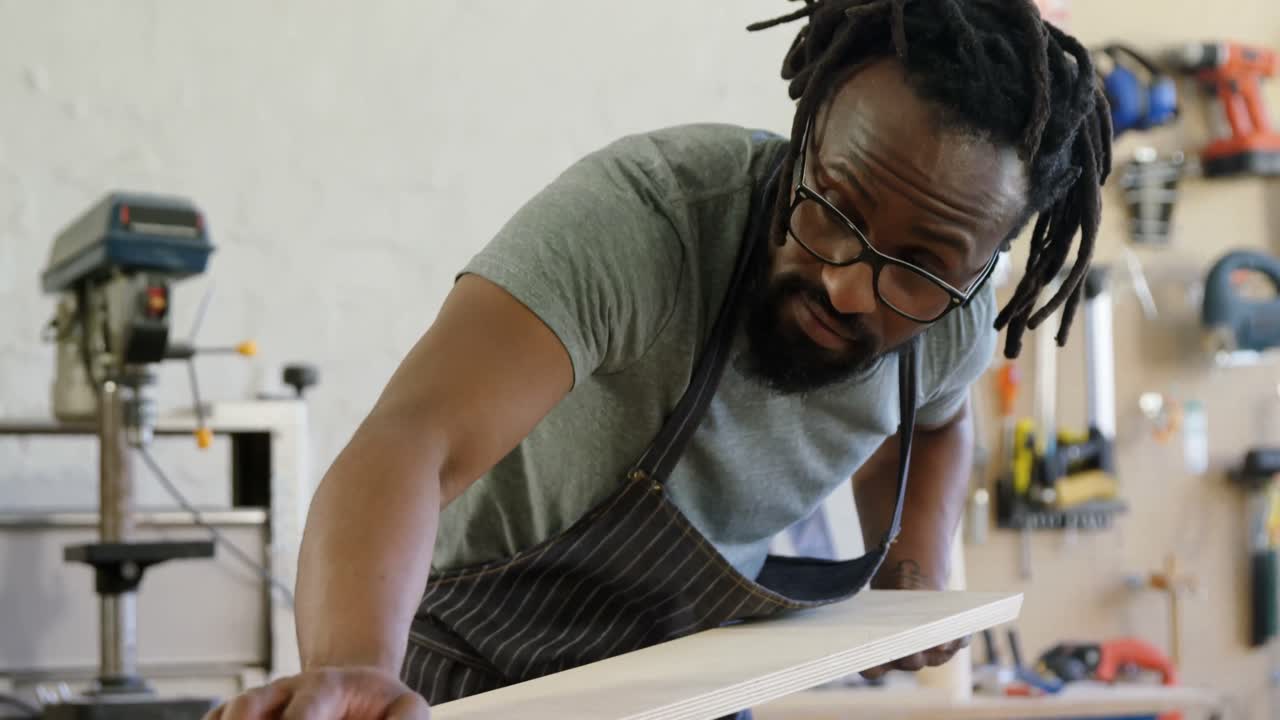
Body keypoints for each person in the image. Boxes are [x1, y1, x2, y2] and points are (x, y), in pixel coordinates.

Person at [208, 1, 1111, 718]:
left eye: (917, 268)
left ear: (980, 264)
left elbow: (938, 427)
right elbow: (413, 440)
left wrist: (914, 568)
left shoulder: (953, 315)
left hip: (690, 686)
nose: (848, 286)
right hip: (464, 681)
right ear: (804, 141)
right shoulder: (651, 222)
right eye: (833, 208)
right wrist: (357, 670)